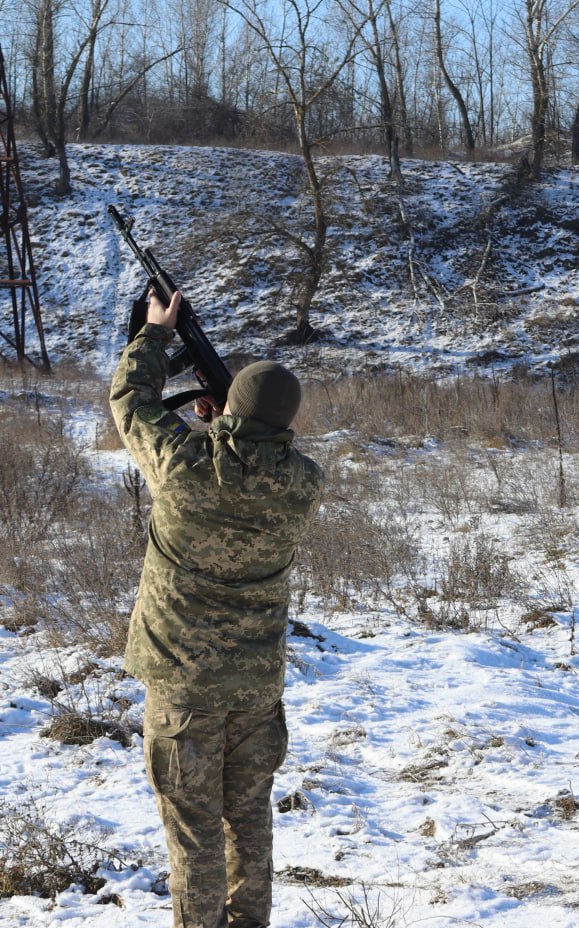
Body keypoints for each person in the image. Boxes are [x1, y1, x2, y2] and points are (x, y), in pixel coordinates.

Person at [111, 289, 324, 928]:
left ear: (231, 408)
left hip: (186, 687)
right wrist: (227, 422)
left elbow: (131, 401)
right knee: (249, 820)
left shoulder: (184, 468)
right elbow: (261, 457)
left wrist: (153, 334)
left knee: (194, 832)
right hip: (257, 691)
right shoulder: (305, 482)